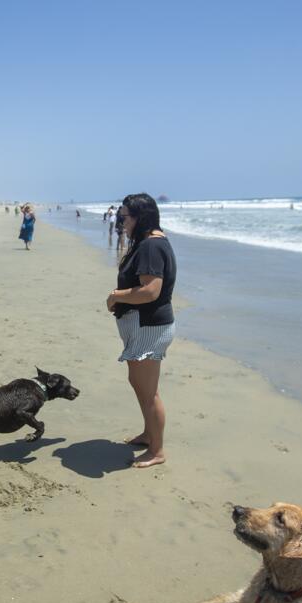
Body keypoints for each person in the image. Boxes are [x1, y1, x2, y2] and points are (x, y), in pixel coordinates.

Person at [106, 193, 176, 469]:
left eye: (124, 217)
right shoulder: (148, 242)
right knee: (139, 384)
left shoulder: (151, 246)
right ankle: (149, 434)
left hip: (150, 326)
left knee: (149, 392)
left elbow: (151, 291)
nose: (121, 222)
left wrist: (116, 296)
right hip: (143, 326)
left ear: (139, 217)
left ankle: (157, 451)